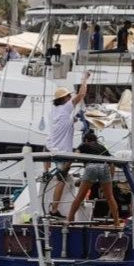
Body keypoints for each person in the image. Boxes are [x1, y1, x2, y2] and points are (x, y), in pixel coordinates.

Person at [43, 80, 87, 216]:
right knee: (61, 180)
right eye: (68, 96)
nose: (70, 98)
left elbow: (62, 124)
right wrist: (85, 78)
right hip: (63, 151)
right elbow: (81, 95)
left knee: (62, 176)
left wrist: (73, 121)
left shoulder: (54, 111)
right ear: (64, 99)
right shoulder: (65, 108)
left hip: (53, 148)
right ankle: (54, 209)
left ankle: (46, 172)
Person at [66, 125, 121, 223]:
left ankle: (69, 219)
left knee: (80, 197)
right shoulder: (102, 147)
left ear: (86, 140)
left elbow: (74, 156)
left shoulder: (84, 145)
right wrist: (110, 179)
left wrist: (66, 167)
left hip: (91, 167)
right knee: (110, 197)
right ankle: (116, 221)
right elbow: (112, 163)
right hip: (104, 167)